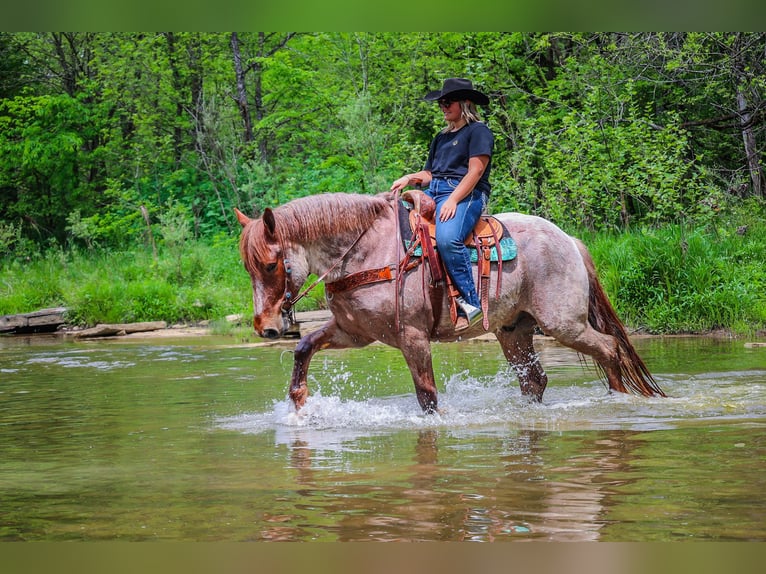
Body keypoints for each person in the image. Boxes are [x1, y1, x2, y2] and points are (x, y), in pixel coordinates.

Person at [391, 78, 494, 331]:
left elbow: (475, 172)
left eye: (448, 102)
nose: (443, 107)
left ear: (465, 102)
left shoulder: (479, 132)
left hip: (467, 195)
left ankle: (472, 304)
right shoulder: (441, 138)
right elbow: (430, 174)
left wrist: (453, 200)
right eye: (441, 103)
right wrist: (409, 178)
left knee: (448, 238)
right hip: (435, 192)